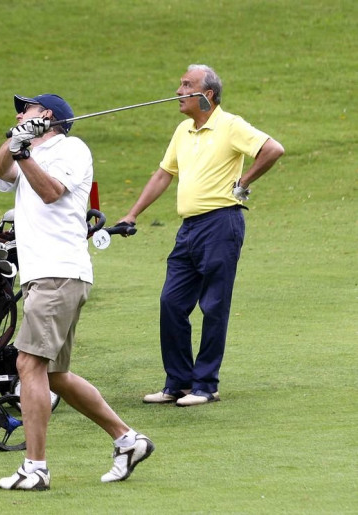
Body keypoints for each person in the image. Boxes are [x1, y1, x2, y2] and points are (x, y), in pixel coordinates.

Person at [0, 93, 153, 490]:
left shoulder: (72, 149)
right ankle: (127, 440)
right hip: (44, 275)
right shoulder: (29, 147)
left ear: (47, 116)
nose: (18, 113)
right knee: (56, 375)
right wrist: (16, 140)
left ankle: (35, 468)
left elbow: (50, 192)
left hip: (58, 273)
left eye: (26, 109)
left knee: (28, 367)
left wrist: (24, 151)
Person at [119, 65, 285, 407]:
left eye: (186, 85)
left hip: (222, 225)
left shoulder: (231, 125)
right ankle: (178, 382)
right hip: (189, 229)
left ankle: (205, 385)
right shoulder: (183, 130)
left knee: (213, 306)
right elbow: (164, 175)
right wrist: (133, 213)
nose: (178, 91)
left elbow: (273, 149)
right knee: (171, 302)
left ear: (206, 94)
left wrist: (243, 183)